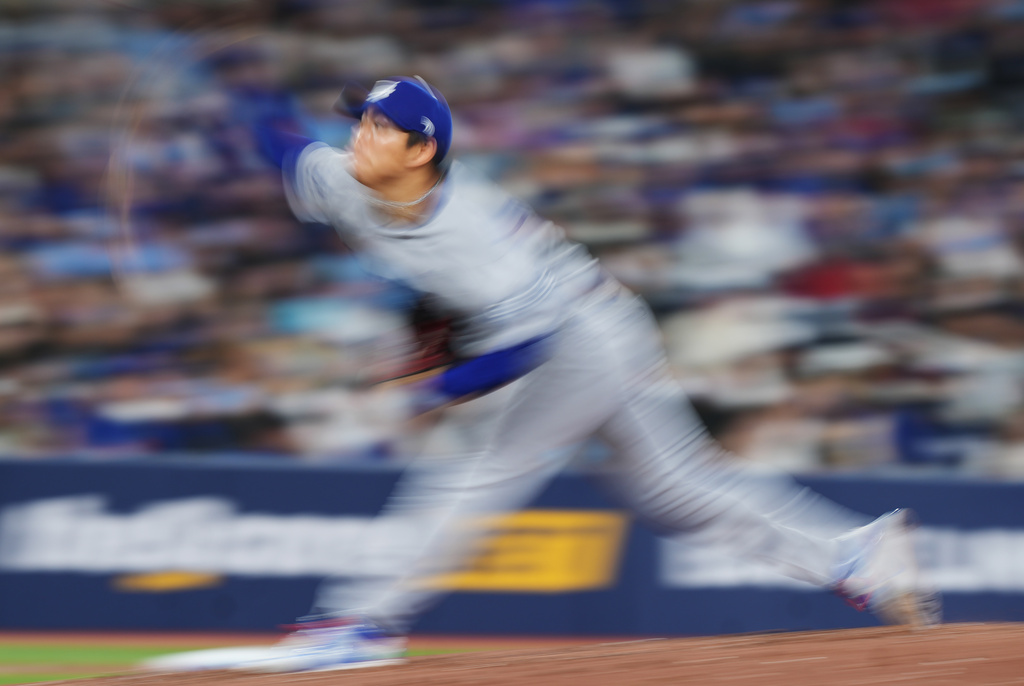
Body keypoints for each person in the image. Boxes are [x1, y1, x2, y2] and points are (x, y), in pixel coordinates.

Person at [162, 75, 940, 673]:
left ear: (421, 150)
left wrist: (432, 391)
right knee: (673, 490)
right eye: (360, 120)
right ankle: (854, 554)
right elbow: (286, 148)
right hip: (595, 314)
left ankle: (358, 624)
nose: (359, 135)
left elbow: (522, 353)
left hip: (578, 337)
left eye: (379, 126)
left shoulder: (469, 231)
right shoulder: (347, 180)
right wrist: (240, 102)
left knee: (474, 468)